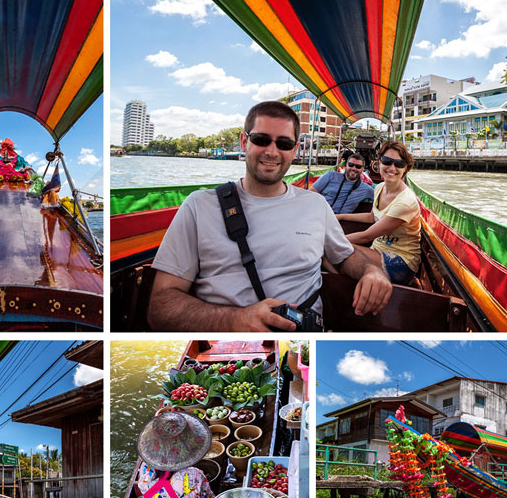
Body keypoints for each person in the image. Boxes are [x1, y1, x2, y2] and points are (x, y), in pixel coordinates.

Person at [148, 101, 392, 331]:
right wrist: (235, 320)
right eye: (261, 140)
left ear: (295, 150)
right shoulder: (199, 206)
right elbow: (161, 307)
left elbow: (345, 257)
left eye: (284, 144)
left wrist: (372, 271)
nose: (272, 152)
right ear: (244, 142)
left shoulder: (316, 205)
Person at [336, 141, 421, 285]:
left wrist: (332, 241)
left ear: (405, 169)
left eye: (399, 164)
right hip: (377, 250)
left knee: (336, 251)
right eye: (387, 161)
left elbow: (366, 236)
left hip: (401, 262)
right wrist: (340, 216)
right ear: (379, 163)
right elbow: (372, 216)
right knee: (333, 253)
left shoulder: (405, 202)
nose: (392, 168)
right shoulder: (380, 188)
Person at [309, 153, 374, 213]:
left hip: (339, 221)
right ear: (346, 165)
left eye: (358, 166)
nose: (354, 168)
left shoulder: (366, 189)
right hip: (319, 213)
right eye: (351, 165)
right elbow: (311, 192)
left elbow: (381, 197)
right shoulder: (330, 175)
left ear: (363, 169)